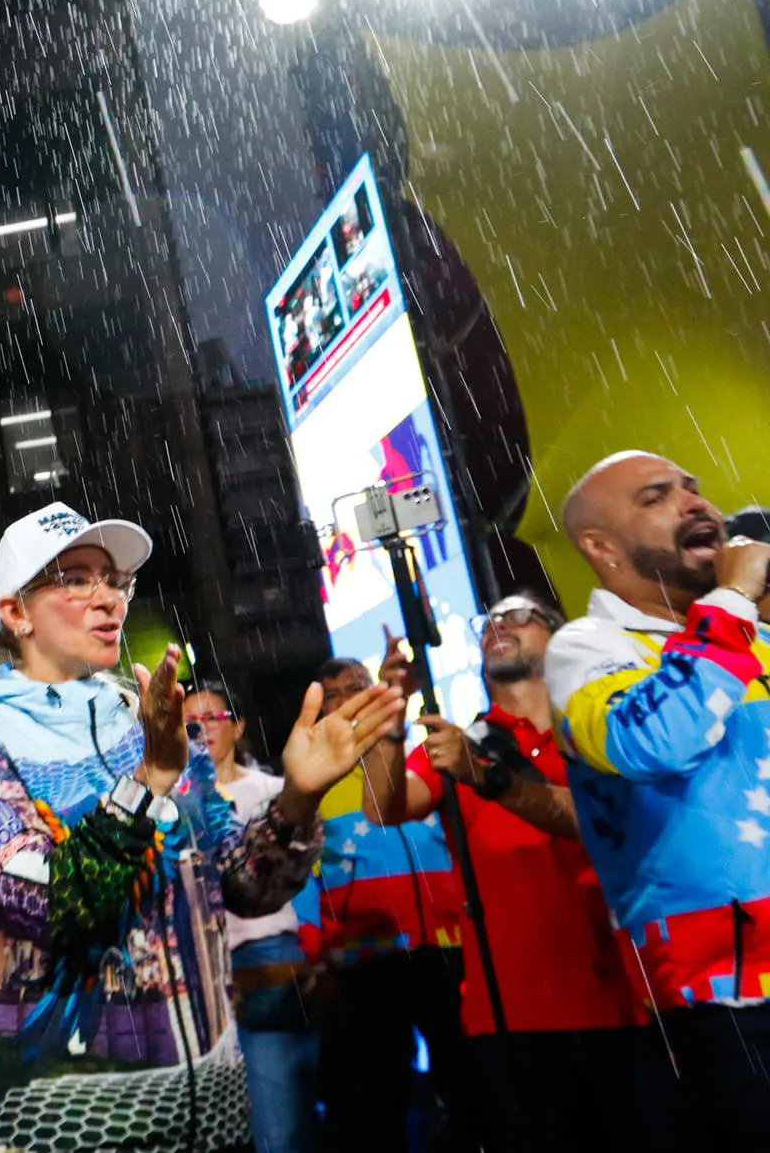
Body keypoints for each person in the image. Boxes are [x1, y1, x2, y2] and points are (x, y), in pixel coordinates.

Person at [0, 503, 404, 1153]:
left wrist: (297, 797)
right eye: (75, 579)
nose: (108, 599)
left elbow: (243, 884)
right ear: (16, 612)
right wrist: (148, 779)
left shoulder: (150, 719)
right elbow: (42, 904)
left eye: (114, 580)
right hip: (66, 1116)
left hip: (212, 1108)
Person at [361, 594, 661, 1150]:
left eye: (521, 616)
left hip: (630, 998)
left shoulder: (600, 728)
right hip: (509, 1014)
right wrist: (389, 714)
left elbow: (599, 821)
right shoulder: (462, 743)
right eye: (490, 621)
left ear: (560, 636)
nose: (500, 626)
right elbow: (383, 807)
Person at [546, 451, 770, 1140]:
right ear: (600, 546)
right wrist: (732, 605)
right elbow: (651, 741)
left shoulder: (749, 636)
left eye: (694, 489)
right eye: (658, 496)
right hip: (727, 999)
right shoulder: (584, 649)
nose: (696, 503)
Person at [305, 656, 481, 1152]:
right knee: (380, 1102)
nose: (349, 696)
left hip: (446, 949)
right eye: (335, 692)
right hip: (368, 961)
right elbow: (302, 886)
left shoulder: (416, 760)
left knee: (469, 1084)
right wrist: (316, 959)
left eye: (358, 685)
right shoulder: (315, 780)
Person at [181, 684, 320, 1153]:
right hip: (197, 968)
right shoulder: (170, 801)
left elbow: (303, 881)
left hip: (266, 960)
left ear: (238, 726)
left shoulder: (274, 793)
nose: (200, 729)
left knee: (279, 1117)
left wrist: (315, 951)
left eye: (213, 717)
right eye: (188, 722)